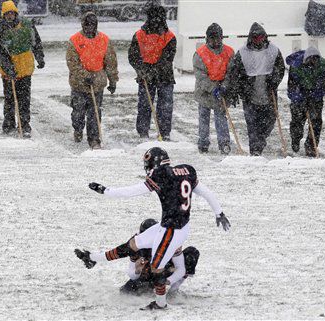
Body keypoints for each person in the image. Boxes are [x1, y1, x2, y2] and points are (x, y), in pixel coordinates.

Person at [75, 147, 230, 310]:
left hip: (173, 229)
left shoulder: (161, 174)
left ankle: (161, 303)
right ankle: (92, 258)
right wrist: (219, 213)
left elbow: (131, 192)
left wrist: (105, 191)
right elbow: (206, 192)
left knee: (157, 267)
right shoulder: (186, 171)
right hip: (171, 225)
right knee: (134, 243)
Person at [223, 22, 285, 156]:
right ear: (251, 38)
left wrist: (274, 80)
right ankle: (255, 150)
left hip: (268, 93)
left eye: (261, 37)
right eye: (255, 38)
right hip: (249, 95)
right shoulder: (242, 53)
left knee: (270, 121)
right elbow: (234, 73)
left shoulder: (273, 50)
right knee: (252, 124)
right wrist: (237, 89)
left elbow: (280, 68)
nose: (258, 40)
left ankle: (260, 141)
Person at [66, 11, 118, 149]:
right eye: (87, 25)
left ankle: (94, 138)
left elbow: (111, 62)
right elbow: (72, 63)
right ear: (83, 25)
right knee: (78, 112)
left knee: (95, 112)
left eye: (92, 25)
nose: (90, 27)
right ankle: (78, 129)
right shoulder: (75, 40)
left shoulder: (104, 40)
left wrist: (113, 80)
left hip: (97, 83)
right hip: (79, 84)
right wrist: (84, 75)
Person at [0, 0, 44, 138]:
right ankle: (9, 124)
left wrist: (40, 57)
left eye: (12, 13)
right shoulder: (1, 30)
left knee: (24, 99)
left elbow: (36, 42)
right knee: (9, 99)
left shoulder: (27, 25)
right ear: (3, 15)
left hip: (25, 69)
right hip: (8, 72)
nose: (10, 16)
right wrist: (8, 68)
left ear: (15, 13)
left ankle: (24, 124)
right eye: (7, 14)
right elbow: (0, 52)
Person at [128, 5, 176, 141]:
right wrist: (141, 70)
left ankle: (164, 132)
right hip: (145, 76)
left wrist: (152, 71)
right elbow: (133, 56)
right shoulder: (139, 35)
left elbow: (167, 59)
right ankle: (143, 132)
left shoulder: (169, 37)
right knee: (144, 104)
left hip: (165, 76)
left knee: (165, 105)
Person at [118, 218, 200, 296]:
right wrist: (137, 270)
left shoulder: (171, 240)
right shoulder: (134, 245)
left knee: (192, 253)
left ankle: (173, 291)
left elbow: (180, 268)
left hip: (166, 269)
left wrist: (167, 281)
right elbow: (132, 274)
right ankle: (148, 288)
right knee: (124, 292)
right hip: (147, 274)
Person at [193, 23, 234, 155]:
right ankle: (203, 143)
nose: (215, 41)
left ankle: (224, 143)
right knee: (204, 118)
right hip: (204, 92)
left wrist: (224, 86)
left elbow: (231, 72)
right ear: (207, 39)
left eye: (218, 38)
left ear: (222, 38)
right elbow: (201, 76)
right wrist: (213, 88)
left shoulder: (229, 52)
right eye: (212, 38)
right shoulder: (200, 54)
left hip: (221, 90)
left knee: (221, 118)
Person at [285, 46, 325, 157]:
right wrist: (298, 96)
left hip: (315, 97)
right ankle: (295, 140)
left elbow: (323, 84)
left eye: (316, 60)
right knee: (297, 121)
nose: (313, 62)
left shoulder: (323, 66)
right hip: (299, 97)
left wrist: (315, 94)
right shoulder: (296, 66)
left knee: (316, 122)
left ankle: (311, 146)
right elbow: (291, 85)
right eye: (311, 60)